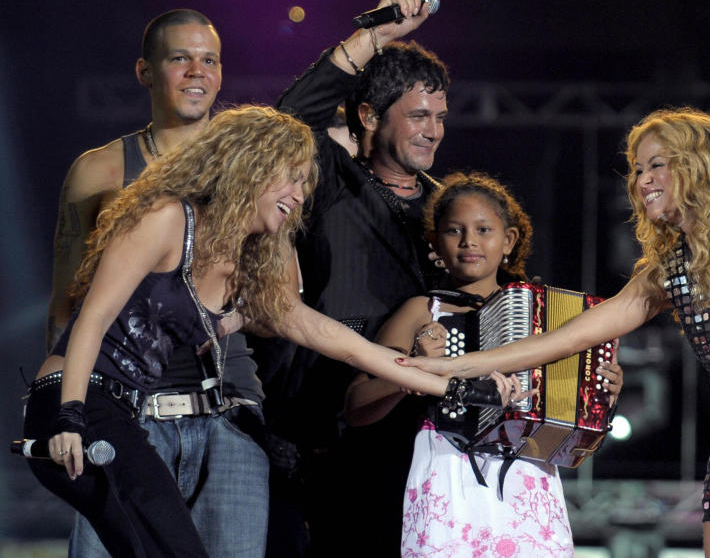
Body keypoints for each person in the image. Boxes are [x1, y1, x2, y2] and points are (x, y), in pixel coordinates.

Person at [23, 105, 505, 558]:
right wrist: (70, 414)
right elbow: (93, 316)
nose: (298, 195)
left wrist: (457, 384)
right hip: (77, 401)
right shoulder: (168, 218)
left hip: (124, 416)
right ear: (249, 166)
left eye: (304, 183)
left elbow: (358, 350)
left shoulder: (244, 269)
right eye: (290, 178)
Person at [401, 108, 710, 558]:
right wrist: (445, 366)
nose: (641, 180)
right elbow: (563, 339)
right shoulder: (669, 270)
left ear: (697, 165)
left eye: (655, 165)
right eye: (636, 169)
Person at [46, 9, 273, 558]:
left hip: (226, 414)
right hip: (123, 413)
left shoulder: (248, 173)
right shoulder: (99, 170)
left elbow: (281, 299)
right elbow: (69, 305)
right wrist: (62, 409)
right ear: (146, 71)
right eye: (180, 58)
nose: (197, 71)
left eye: (209, 60)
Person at [264, 0, 449, 555]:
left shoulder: (449, 207)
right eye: (417, 115)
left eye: (440, 116)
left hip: (417, 441)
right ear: (368, 115)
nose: (433, 130)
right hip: (321, 431)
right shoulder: (333, 180)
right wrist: (374, 34)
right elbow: (289, 118)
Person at [345, 172, 623, 556]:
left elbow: (573, 421)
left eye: (483, 229)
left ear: (508, 240)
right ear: (435, 243)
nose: (469, 241)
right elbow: (357, 404)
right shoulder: (423, 310)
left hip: (527, 473)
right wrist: (413, 369)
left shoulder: (546, 317)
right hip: (448, 469)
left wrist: (602, 389)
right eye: (454, 230)